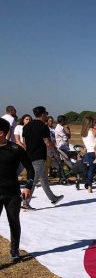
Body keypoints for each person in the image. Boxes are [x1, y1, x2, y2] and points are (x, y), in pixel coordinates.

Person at [0, 118, 34, 261]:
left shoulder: (16, 149)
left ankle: (14, 250)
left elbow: (30, 170)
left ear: (1, 133)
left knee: (14, 222)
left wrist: (27, 186)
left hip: (12, 193)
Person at [22, 106, 63, 208]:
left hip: (29, 155)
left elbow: (24, 142)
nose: (47, 115)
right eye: (46, 113)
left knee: (43, 178)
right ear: (43, 114)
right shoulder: (43, 127)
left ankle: (53, 198)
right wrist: (55, 151)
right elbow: (47, 142)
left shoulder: (26, 126)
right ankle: (25, 203)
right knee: (34, 180)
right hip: (39, 156)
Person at [80, 116, 96, 193]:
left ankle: (89, 186)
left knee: (91, 169)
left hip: (89, 152)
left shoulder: (83, 132)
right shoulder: (93, 130)